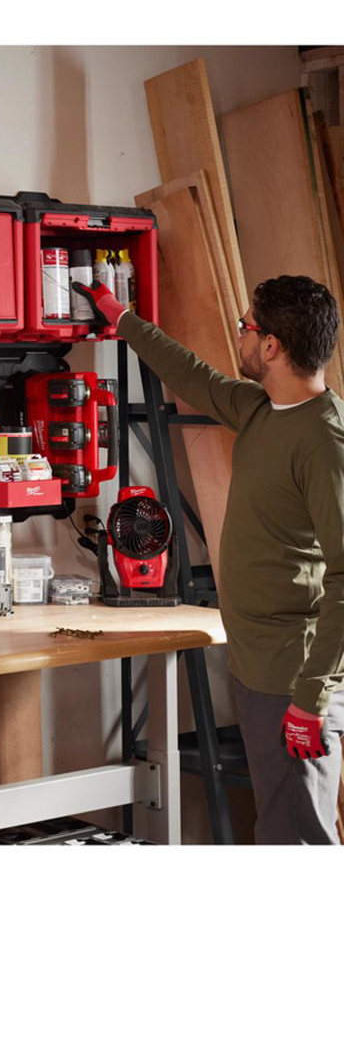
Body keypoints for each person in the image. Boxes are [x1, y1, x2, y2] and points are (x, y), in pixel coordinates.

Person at [75, 274, 344, 844]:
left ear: (271, 345)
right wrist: (121, 318)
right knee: (279, 827)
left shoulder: (325, 444)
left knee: (297, 837)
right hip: (257, 667)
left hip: (293, 679)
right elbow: (192, 375)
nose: (238, 334)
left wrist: (311, 698)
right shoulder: (263, 411)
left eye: (246, 326)